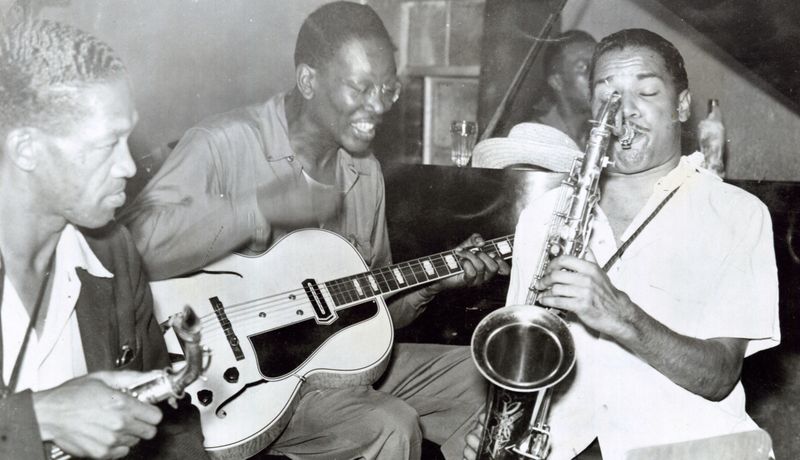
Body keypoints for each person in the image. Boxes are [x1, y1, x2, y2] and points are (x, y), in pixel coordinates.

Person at [120, 2, 508, 459]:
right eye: (361, 88)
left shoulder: (364, 172)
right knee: (387, 425)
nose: (379, 106)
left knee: (485, 378)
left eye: (388, 89)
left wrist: (432, 286)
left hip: (332, 366)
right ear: (308, 81)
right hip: (243, 384)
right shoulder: (223, 143)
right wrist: (258, 208)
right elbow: (130, 250)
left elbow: (373, 311)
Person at [465, 28, 779, 459]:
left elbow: (721, 375)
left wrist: (620, 314)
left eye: (646, 93)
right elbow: (522, 354)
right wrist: (501, 426)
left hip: (687, 449)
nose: (623, 112)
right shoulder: (543, 216)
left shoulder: (738, 214)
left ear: (682, 106)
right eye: (607, 96)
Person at [0, 20, 208, 459]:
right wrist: (39, 419)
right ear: (26, 150)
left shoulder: (113, 252)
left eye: (128, 138)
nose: (130, 167)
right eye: (107, 144)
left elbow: (170, 430)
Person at [529, 30, 597, 147]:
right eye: (583, 67)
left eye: (599, 65)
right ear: (557, 82)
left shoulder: (605, 133)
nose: (597, 75)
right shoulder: (535, 137)